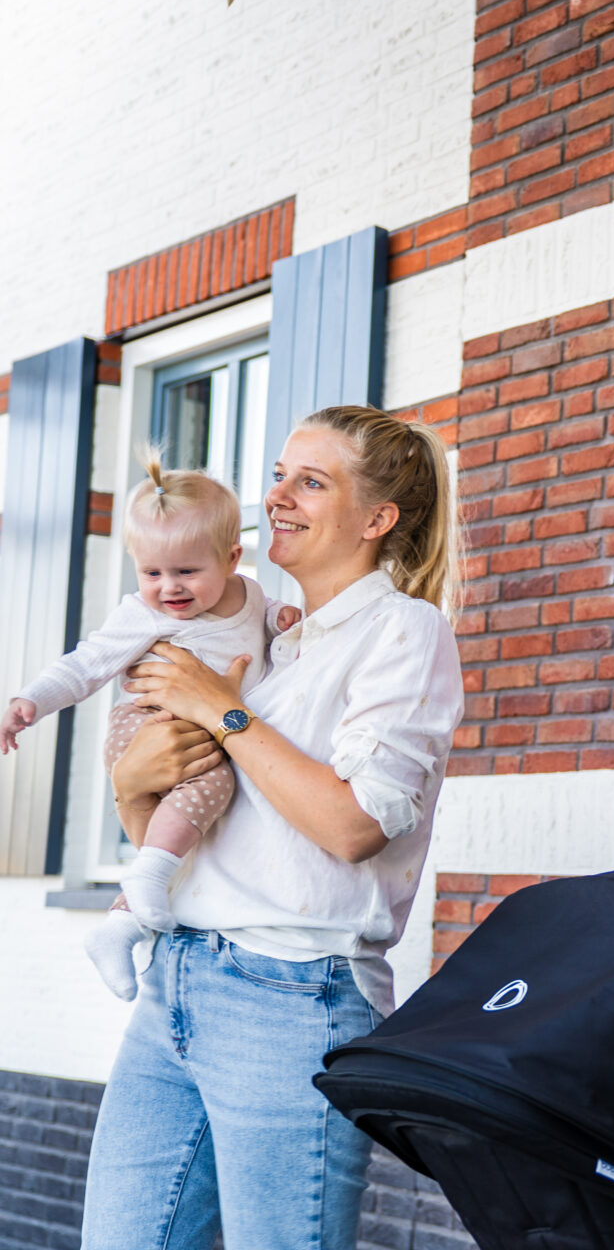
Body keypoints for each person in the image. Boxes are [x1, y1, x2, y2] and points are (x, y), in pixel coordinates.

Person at [78, 404, 466, 1250]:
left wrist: (221, 710)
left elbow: (356, 824)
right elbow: (186, 821)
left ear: (377, 519)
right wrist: (128, 787)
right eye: (281, 475)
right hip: (175, 977)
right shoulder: (263, 634)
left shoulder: (405, 632)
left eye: (310, 481)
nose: (278, 495)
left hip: (293, 994)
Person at [1, 455, 296, 1000]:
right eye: (152, 573)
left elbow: (267, 612)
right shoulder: (141, 613)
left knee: (216, 801)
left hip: (211, 730)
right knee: (216, 785)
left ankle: (124, 918)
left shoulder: (251, 595)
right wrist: (30, 703)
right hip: (142, 723)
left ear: (232, 557)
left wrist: (281, 618)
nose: (168, 588)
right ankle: (144, 882)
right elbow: (85, 664)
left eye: (187, 572)